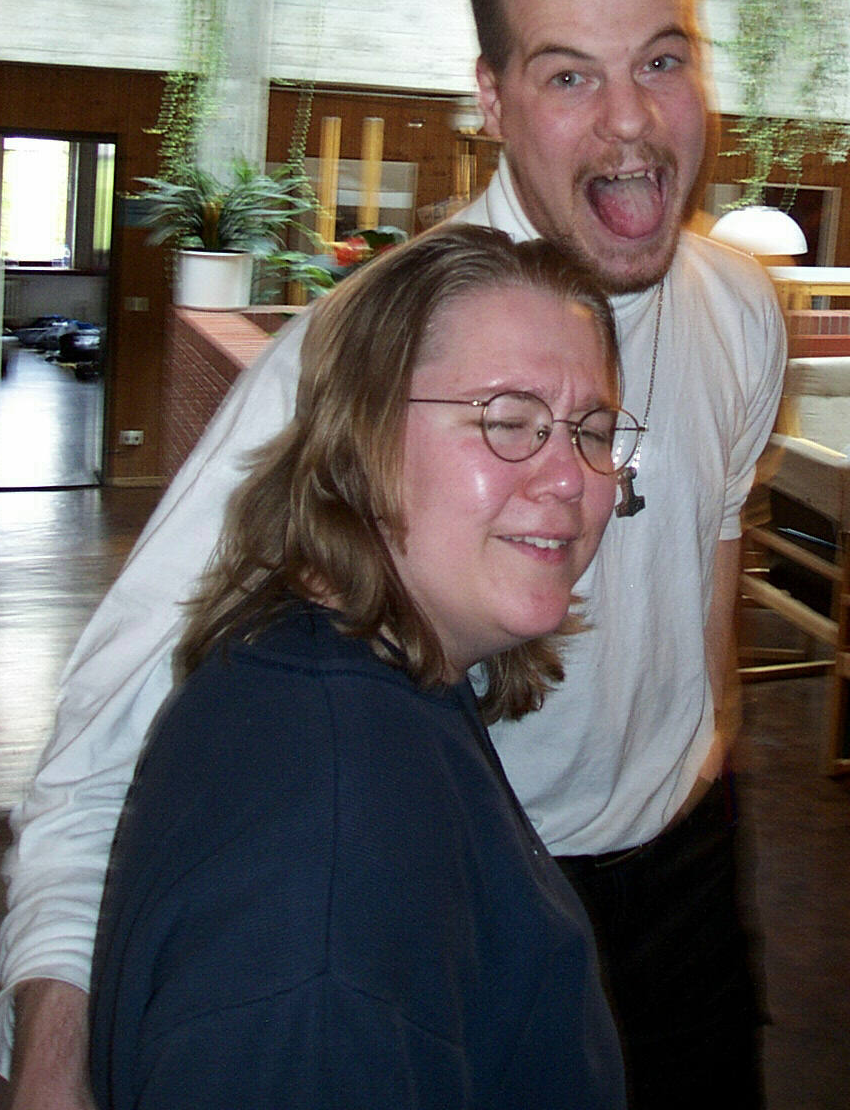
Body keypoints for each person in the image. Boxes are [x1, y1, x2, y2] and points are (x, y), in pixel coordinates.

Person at [0, 0, 787, 1110]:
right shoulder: (359, 357)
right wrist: (55, 1064)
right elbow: (103, 749)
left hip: (686, 878)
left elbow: (709, 562)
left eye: (662, 60)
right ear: (492, 101)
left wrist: (705, 756)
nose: (631, 120)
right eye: (568, 75)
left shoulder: (742, 311)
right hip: (473, 888)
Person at [89, 225, 627, 1109]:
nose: (570, 478)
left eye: (592, 430)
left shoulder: (361, 679)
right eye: (508, 421)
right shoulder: (326, 866)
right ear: (359, 436)